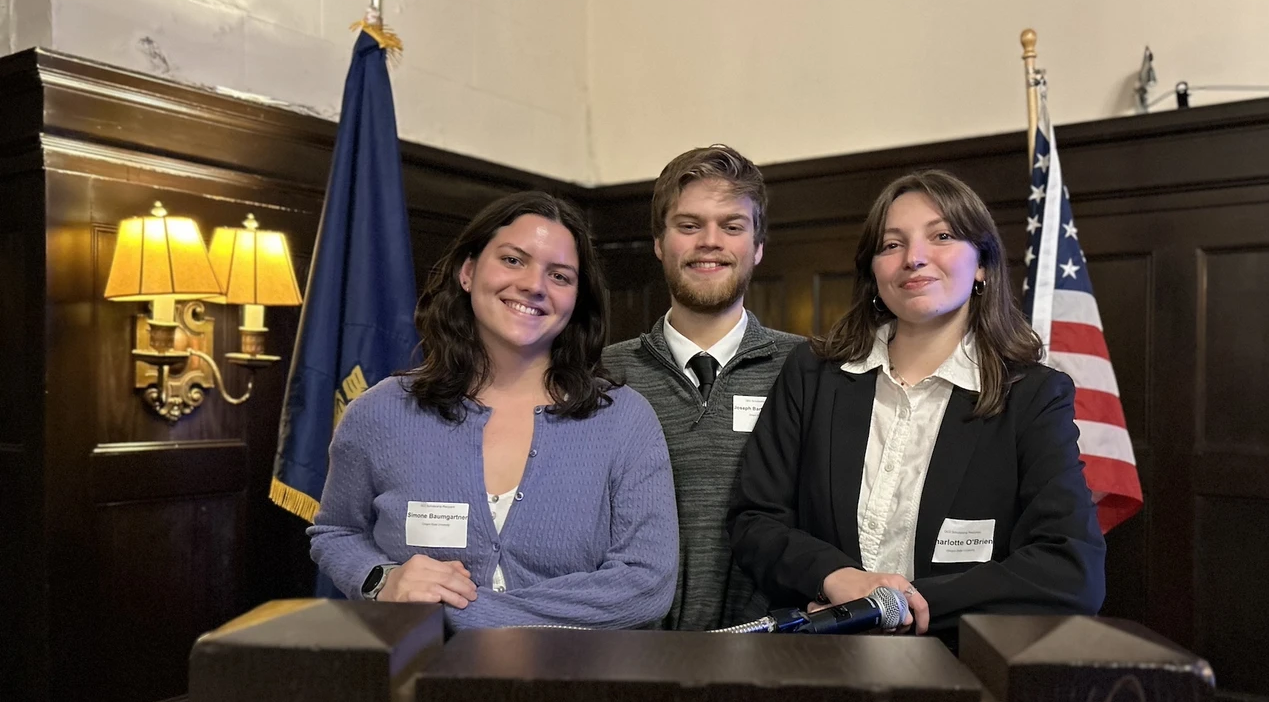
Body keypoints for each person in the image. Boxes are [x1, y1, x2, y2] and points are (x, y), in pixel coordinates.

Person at [727, 169, 1105, 645]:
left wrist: (890, 607)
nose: (914, 258)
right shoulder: (812, 374)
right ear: (873, 273)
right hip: (817, 663)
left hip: (961, 674)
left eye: (942, 236)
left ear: (983, 264)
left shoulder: (1032, 396)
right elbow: (755, 522)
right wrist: (836, 578)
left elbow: (1070, 570)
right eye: (891, 245)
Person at [310, 191, 678, 630]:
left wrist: (464, 614)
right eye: (513, 260)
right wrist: (380, 579)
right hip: (422, 683)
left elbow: (646, 585)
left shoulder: (624, 420)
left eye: (560, 276)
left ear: (577, 299)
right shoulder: (380, 413)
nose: (534, 285)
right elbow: (336, 533)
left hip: (582, 687)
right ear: (468, 271)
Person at [603, 145, 803, 630]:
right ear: (659, 242)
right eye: (688, 226)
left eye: (732, 226)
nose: (709, 242)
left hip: (771, 646)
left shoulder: (807, 368)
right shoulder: (603, 372)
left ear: (757, 246)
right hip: (630, 649)